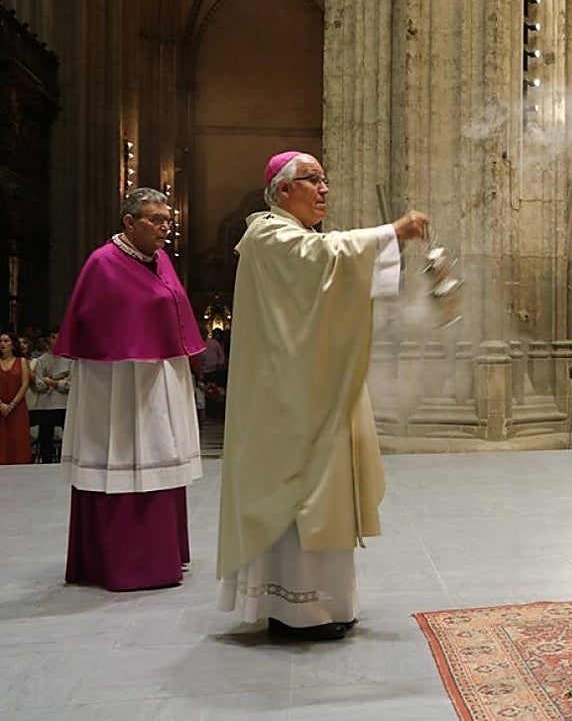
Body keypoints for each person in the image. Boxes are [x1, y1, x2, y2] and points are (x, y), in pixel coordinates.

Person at [217, 150, 429, 642]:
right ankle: (294, 609)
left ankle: (329, 603)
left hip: (313, 389)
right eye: (313, 180)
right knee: (298, 496)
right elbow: (323, 258)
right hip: (286, 403)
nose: (324, 189)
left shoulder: (294, 236)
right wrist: (390, 232)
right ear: (283, 190)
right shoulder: (268, 234)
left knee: (324, 493)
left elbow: (328, 274)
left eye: (324, 179)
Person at [56, 188, 205, 590]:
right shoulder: (102, 264)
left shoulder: (161, 261)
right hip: (118, 391)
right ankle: (126, 561)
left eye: (167, 220)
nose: (165, 228)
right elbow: (97, 332)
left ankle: (164, 552)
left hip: (157, 385)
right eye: (156, 220)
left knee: (161, 456)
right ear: (129, 222)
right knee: (124, 461)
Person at [30, 328, 70, 463]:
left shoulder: (70, 360)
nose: (56, 340)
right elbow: (40, 385)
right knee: (46, 440)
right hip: (45, 405)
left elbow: (69, 385)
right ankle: (45, 465)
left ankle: (65, 463)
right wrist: (59, 379)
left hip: (64, 404)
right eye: (53, 337)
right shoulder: (41, 360)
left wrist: (50, 380)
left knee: (67, 438)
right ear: (48, 339)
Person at [0, 332, 32, 465]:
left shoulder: (22, 361)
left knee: (18, 441)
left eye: (6, 341)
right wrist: (1, 405)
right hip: (0, 407)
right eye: (1, 341)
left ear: (13, 344)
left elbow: (25, 384)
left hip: (17, 408)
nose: (2, 344)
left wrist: (11, 405)